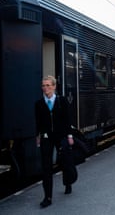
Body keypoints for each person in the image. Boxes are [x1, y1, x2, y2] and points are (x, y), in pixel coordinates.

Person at [35, 75, 74, 208]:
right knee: (46, 167)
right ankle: (48, 197)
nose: (45, 88)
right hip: (46, 137)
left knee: (64, 162)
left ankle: (68, 183)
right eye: (43, 86)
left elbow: (67, 119)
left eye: (48, 85)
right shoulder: (39, 104)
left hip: (61, 136)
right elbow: (38, 123)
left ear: (54, 86)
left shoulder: (62, 101)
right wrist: (38, 136)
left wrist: (69, 135)